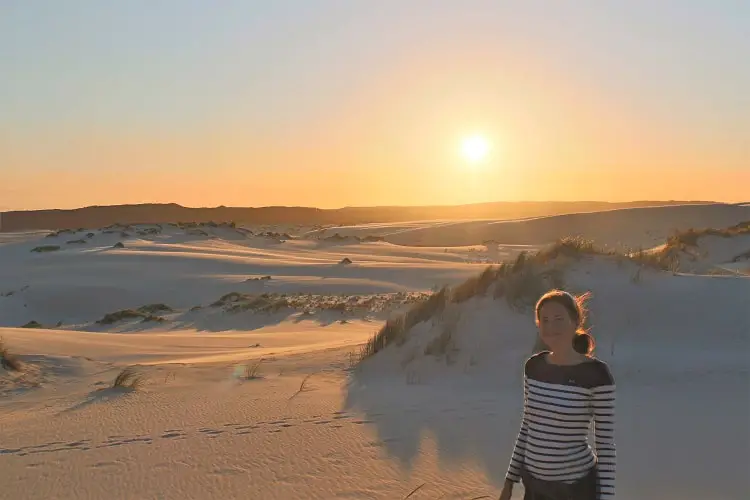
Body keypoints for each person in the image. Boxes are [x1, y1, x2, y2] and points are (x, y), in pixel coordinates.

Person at [498, 289, 616, 500]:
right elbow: (528, 426)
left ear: (575, 321)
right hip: (535, 488)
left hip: (575, 490)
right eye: (545, 320)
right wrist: (509, 482)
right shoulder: (533, 367)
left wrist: (606, 497)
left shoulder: (597, 374)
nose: (551, 326)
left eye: (558, 319)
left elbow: (605, 445)